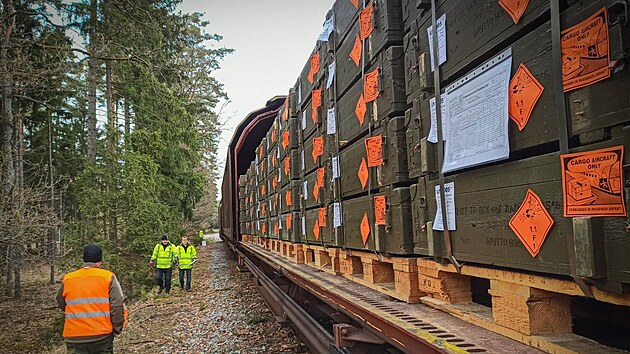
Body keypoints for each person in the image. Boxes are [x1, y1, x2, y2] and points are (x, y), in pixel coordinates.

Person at [57, 244, 127, 354]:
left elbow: (61, 302)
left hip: (74, 336)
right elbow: (117, 305)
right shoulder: (108, 277)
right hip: (101, 336)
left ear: (84, 259)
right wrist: (117, 328)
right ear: (100, 260)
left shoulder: (68, 278)